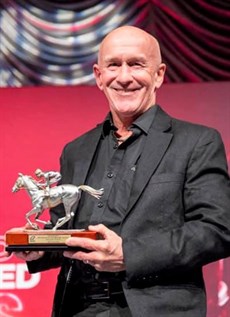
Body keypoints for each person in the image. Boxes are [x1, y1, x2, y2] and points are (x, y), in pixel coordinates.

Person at [10, 26, 230, 317]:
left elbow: (218, 229)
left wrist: (130, 255)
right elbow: (68, 234)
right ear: (99, 76)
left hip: (157, 310)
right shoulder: (76, 150)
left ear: (159, 74)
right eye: (113, 65)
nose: (124, 77)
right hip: (77, 308)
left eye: (136, 64)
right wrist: (39, 248)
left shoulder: (197, 142)